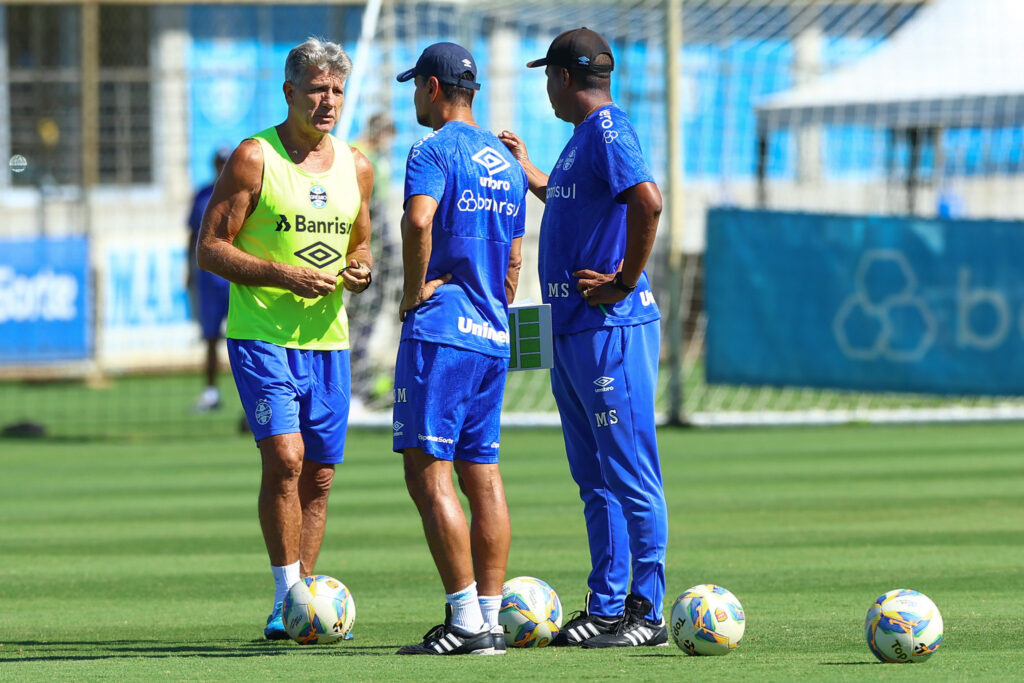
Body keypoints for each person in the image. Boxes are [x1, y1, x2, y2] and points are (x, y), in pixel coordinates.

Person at [196, 37, 373, 640]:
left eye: (338, 91)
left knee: (319, 475)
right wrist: (282, 275)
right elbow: (211, 247)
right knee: (286, 458)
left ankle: (304, 605)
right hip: (262, 336)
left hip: (329, 342)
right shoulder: (255, 157)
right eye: (318, 89)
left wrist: (363, 268)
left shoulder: (357, 166)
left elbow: (361, 243)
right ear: (290, 92)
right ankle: (284, 594)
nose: (329, 102)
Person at [498, 27, 668, 648]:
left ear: (565, 78)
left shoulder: (610, 130)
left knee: (628, 473)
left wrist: (625, 280)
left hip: (610, 328)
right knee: (593, 477)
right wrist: (528, 172)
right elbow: (571, 203)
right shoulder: (579, 144)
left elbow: (647, 202)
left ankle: (645, 614)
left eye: (548, 75)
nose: (545, 87)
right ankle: (604, 606)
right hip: (570, 327)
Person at [391, 42, 527, 656]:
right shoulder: (504, 158)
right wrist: (493, 310)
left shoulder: (432, 150)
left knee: (427, 470)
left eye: (417, 85)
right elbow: (515, 257)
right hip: (493, 333)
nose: (415, 96)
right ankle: (491, 619)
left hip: (443, 331)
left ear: (434, 88)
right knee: (484, 473)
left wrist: (413, 291)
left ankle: (465, 621)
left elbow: (419, 222)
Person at [187, 147, 232, 412]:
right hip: (207, 278)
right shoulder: (203, 195)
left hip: (234, 277)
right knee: (211, 338)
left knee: (245, 338)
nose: (222, 166)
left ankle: (252, 399)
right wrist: (188, 270)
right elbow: (192, 235)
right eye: (219, 162)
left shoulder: (244, 191)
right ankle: (211, 392)